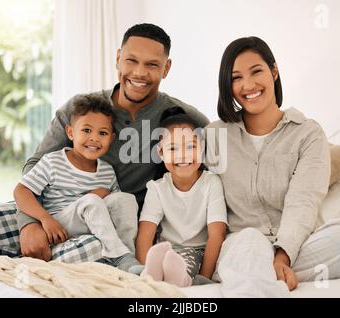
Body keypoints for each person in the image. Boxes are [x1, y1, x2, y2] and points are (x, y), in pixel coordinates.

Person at [17, 23, 209, 261]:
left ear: (166, 68)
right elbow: (35, 165)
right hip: (53, 214)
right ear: (118, 58)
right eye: (131, 60)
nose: (139, 73)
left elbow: (219, 170)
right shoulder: (81, 109)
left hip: (114, 230)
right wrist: (29, 224)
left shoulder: (184, 120)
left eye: (152, 64)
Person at [204, 37, 340, 296]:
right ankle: (249, 269)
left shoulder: (308, 134)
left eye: (256, 71)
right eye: (236, 78)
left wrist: (282, 256)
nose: (248, 85)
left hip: (300, 246)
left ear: (274, 71)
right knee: (250, 242)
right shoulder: (213, 135)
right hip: (242, 242)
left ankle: (256, 271)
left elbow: (303, 200)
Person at [13, 95, 139, 271]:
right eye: (86, 130)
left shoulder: (107, 171)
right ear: (71, 132)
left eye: (102, 133)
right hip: (59, 223)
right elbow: (21, 191)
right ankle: (118, 256)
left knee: (126, 199)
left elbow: (114, 207)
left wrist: (106, 195)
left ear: (110, 139)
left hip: (93, 225)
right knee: (91, 201)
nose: (94, 138)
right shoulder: (53, 161)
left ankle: (127, 257)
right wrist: (45, 219)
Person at [135, 107, 227, 287]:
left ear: (201, 149)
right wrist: (144, 266)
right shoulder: (157, 188)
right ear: (161, 153)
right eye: (173, 148)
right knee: (159, 259)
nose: (183, 155)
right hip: (165, 249)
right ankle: (150, 276)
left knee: (181, 265)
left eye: (191, 146)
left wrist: (205, 278)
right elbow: (145, 235)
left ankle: (178, 279)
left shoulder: (211, 183)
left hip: (197, 251)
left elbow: (217, 235)